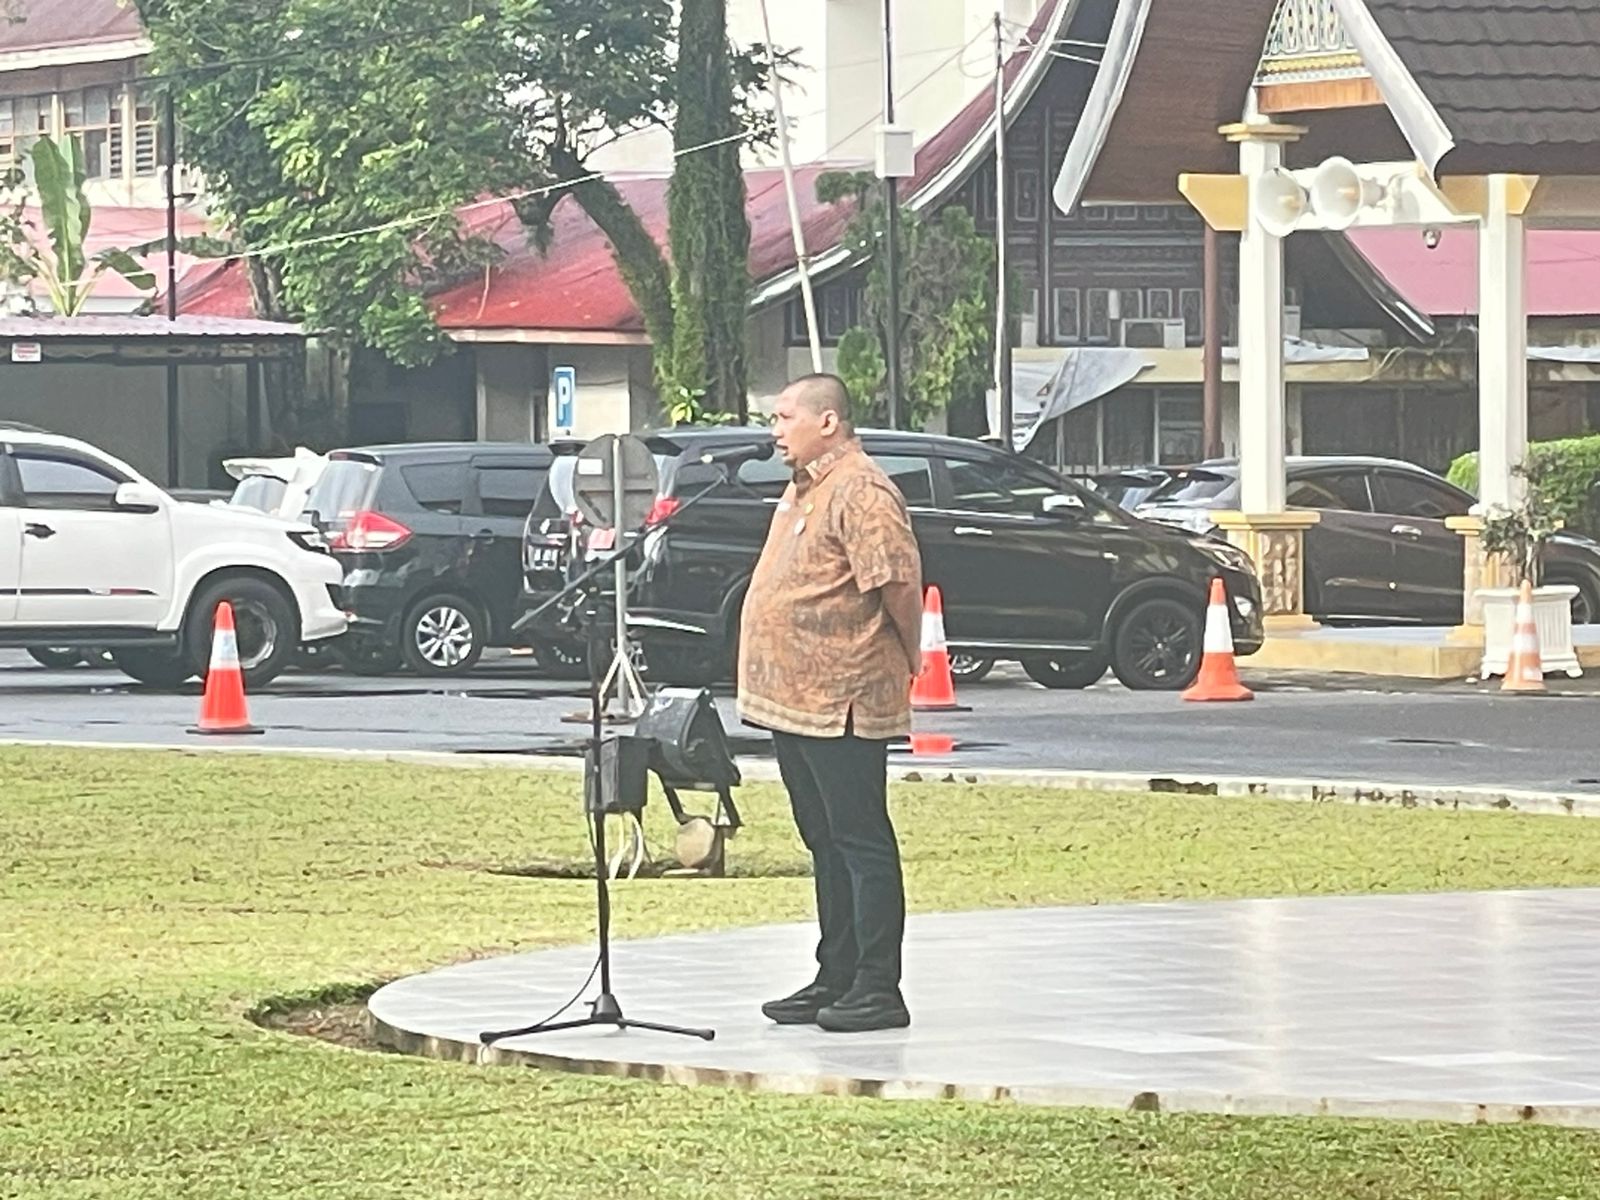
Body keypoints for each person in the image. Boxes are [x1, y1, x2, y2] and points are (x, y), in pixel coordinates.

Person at [737, 374, 925, 1033]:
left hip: (841, 692)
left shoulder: (862, 487)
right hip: (793, 699)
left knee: (858, 838)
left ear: (827, 422)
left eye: (784, 417)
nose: (775, 430)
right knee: (823, 840)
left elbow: (896, 582)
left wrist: (910, 652)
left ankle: (878, 986)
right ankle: (836, 974)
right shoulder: (803, 487)